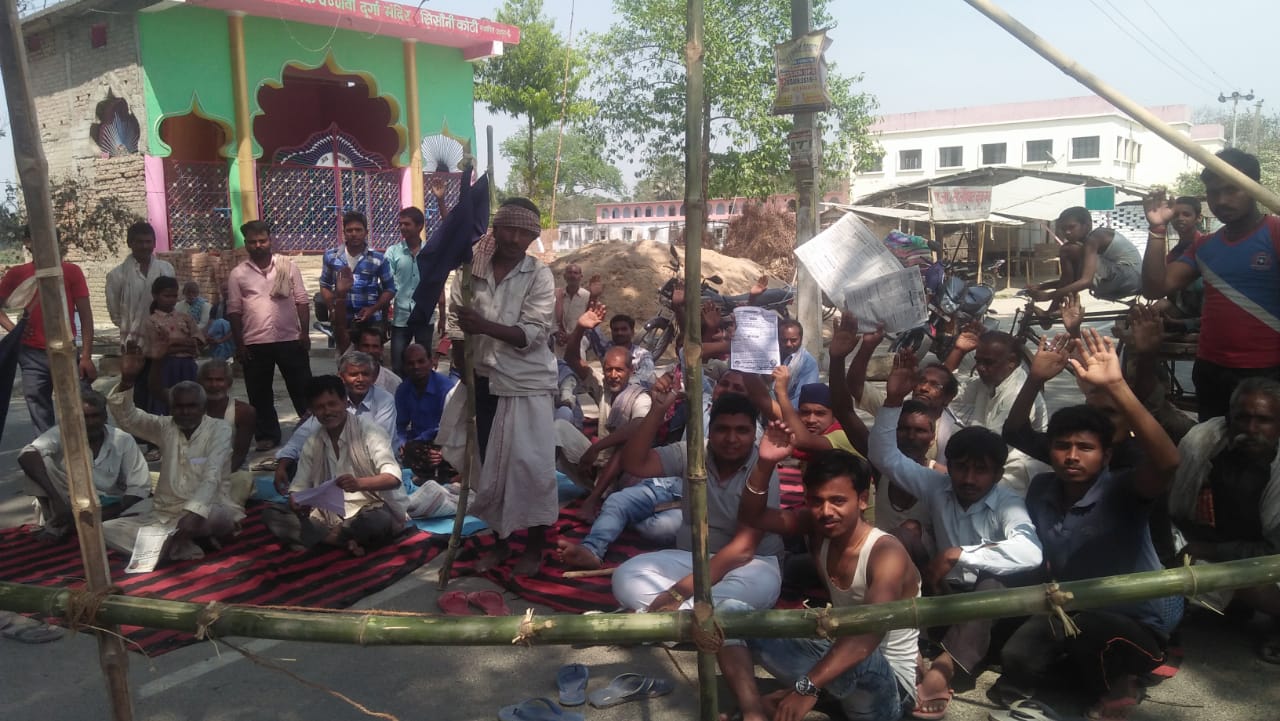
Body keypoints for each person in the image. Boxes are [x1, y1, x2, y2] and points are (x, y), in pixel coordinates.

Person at [994, 329, 1182, 720]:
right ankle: (1109, 677)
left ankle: (1116, 685)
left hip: (1134, 625)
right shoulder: (1044, 488)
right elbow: (1014, 432)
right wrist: (1036, 377)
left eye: (1086, 448)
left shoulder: (1121, 491)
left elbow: (1167, 462)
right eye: (1063, 446)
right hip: (1071, 612)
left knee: (1093, 636)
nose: (1072, 456)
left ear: (1106, 454)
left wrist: (1116, 385)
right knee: (1015, 660)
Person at [870, 351, 1043, 719]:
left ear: (997, 475)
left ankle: (944, 668)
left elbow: (1031, 552)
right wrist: (891, 401)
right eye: (961, 468)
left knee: (992, 583)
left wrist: (960, 555)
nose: (967, 479)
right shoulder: (938, 485)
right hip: (942, 593)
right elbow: (885, 456)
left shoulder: (1007, 501)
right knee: (901, 538)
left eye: (980, 471)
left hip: (988, 609)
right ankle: (905, 642)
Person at [721, 441, 921, 721]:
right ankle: (755, 711)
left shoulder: (886, 552)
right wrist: (765, 463)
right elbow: (752, 515)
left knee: (862, 653)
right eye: (817, 501)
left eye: (838, 501)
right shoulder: (818, 528)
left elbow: (869, 634)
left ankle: (813, 693)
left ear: (862, 499)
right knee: (728, 613)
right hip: (837, 664)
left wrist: (806, 686)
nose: (826, 511)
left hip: (888, 686)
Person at [441, 197, 559, 575]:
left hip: (526, 385)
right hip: (483, 381)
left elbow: (534, 334)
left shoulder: (539, 275)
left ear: (533, 236)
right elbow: (458, 327)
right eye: (509, 228)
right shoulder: (469, 271)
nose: (515, 238)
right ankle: (501, 540)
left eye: (525, 232)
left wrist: (484, 326)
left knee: (532, 466)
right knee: (490, 467)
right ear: (496, 229)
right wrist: (463, 367)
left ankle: (535, 545)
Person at [610, 391, 785, 612]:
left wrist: (677, 592)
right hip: (691, 558)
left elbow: (744, 549)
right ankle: (694, 620)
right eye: (722, 429)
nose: (731, 439)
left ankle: (661, 617)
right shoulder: (693, 450)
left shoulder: (764, 467)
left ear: (754, 434)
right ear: (709, 430)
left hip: (750, 565)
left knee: (755, 588)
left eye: (742, 431)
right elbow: (635, 464)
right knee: (625, 575)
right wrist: (657, 411)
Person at [554, 371, 746, 572]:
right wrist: (660, 400)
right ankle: (591, 550)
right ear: (715, 387)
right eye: (724, 384)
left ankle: (617, 520)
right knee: (618, 501)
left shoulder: (750, 431)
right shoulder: (700, 403)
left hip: (702, 498)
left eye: (738, 388)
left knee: (658, 528)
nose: (729, 391)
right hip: (670, 482)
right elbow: (678, 378)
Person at [1141, 148, 1280, 421]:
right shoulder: (1205, 246)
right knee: (1214, 453)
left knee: (1267, 457)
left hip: (1269, 371)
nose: (1222, 200)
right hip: (1212, 368)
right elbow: (1155, 288)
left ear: (1254, 188)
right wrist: (1157, 229)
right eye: (1214, 193)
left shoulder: (1275, 233)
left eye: (1232, 190)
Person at [103, 349, 243, 561]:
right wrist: (128, 380)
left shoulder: (220, 429)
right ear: (171, 408)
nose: (185, 412)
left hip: (208, 509)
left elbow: (211, 477)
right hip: (165, 514)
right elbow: (129, 419)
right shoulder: (164, 426)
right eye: (179, 407)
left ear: (203, 407)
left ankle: (168, 545)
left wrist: (193, 514)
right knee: (106, 529)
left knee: (216, 517)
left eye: (191, 406)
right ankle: (180, 547)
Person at [1169, 377, 1280, 640]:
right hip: (1212, 546)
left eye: (1263, 420)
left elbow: (1274, 550)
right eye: (1242, 418)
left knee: (1253, 583)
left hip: (1265, 560)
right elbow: (1176, 512)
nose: (1251, 428)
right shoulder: (1205, 444)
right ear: (1230, 418)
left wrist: (1208, 550)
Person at [263, 375, 408, 556]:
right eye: (320, 407)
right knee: (272, 514)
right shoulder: (314, 440)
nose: (327, 411)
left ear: (344, 402)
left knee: (379, 520)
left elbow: (393, 478)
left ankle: (323, 539)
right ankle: (340, 540)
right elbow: (299, 487)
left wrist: (359, 484)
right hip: (325, 514)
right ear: (313, 411)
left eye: (332, 404)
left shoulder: (370, 431)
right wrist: (296, 500)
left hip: (368, 507)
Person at [226, 220, 312, 451]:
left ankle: (313, 430)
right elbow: (234, 310)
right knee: (259, 392)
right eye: (252, 242)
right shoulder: (238, 274)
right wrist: (239, 344)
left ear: (270, 240)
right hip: (255, 342)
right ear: (246, 244)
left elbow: (302, 301)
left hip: (290, 339)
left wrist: (304, 332)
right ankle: (267, 435)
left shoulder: (287, 266)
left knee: (303, 388)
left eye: (262, 240)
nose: (258, 245)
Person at [18, 390, 149, 542]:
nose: (90, 422)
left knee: (149, 506)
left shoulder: (122, 440)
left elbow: (138, 487)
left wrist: (103, 513)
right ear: (74, 419)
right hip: (68, 502)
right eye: (85, 417)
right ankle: (64, 522)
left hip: (110, 505)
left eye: (95, 416)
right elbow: (26, 455)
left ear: (105, 417)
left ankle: (70, 525)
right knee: (37, 460)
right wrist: (57, 500)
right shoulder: (62, 433)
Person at [0, 230, 97, 433]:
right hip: (31, 355)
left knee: (82, 409)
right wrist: (14, 329)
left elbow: (86, 316)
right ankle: (48, 461)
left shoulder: (70, 272)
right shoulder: (18, 274)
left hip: (67, 351)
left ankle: (88, 458)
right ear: (28, 242)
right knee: (40, 413)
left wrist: (86, 355)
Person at [840, 314, 959, 463]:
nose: (924, 388)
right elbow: (855, 386)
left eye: (935, 385)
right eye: (921, 381)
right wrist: (867, 347)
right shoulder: (893, 408)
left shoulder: (953, 434)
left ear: (949, 397)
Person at [945, 327, 1050, 493]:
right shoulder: (990, 379)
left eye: (988, 362)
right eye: (978, 361)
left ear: (1011, 361)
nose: (980, 367)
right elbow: (946, 392)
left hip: (1015, 472)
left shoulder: (1016, 392)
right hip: (988, 463)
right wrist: (958, 351)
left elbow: (991, 449)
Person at [274, 351, 396, 489]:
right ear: (341, 377)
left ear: (344, 403)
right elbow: (299, 438)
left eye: (365, 374)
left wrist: (357, 482)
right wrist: (282, 467)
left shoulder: (381, 407)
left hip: (369, 468)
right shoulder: (318, 432)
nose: (360, 379)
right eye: (354, 374)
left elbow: (385, 450)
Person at [105, 221, 175, 413]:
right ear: (129, 243)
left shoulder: (165, 269)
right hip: (134, 342)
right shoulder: (117, 275)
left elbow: (172, 300)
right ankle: (140, 436)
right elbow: (115, 313)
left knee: (163, 385)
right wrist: (133, 330)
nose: (144, 246)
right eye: (139, 242)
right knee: (138, 389)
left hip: (164, 338)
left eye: (148, 241)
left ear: (154, 243)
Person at [1026, 206, 1141, 310]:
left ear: (1087, 226)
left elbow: (1085, 281)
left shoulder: (1096, 237)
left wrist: (1048, 296)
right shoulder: (1084, 247)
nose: (1067, 232)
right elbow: (1070, 280)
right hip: (1123, 280)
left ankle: (1054, 311)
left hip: (1130, 277)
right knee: (1070, 252)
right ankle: (1053, 313)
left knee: (1067, 250)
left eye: (1071, 227)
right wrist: (1042, 286)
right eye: (1063, 229)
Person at [385, 194, 446, 377]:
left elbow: (438, 285)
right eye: (401, 224)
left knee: (422, 366)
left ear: (419, 226)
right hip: (400, 317)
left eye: (407, 224)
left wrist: (443, 316)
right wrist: (385, 316)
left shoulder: (431, 252)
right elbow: (387, 286)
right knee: (398, 366)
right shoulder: (393, 252)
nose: (403, 227)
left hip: (424, 316)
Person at [1141, 191, 1204, 332]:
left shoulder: (1206, 247)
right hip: (1182, 310)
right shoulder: (1174, 254)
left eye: (1186, 214)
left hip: (1204, 315)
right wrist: (1157, 227)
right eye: (1176, 215)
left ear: (1198, 218)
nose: (1180, 218)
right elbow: (1155, 288)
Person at [320, 211, 395, 327]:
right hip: (341, 320)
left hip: (371, 321)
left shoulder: (378, 259)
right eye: (349, 230)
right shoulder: (331, 257)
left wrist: (373, 309)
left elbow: (390, 289)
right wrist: (332, 310)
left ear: (366, 232)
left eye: (358, 230)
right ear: (344, 233)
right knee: (343, 346)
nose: (354, 234)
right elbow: (325, 285)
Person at [395, 343, 457, 482]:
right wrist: (402, 442)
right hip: (418, 445)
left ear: (431, 362)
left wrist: (443, 451)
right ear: (404, 366)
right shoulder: (403, 390)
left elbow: (452, 426)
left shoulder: (446, 388)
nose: (416, 367)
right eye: (410, 363)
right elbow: (399, 424)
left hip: (444, 443)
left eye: (421, 361)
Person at [144, 275, 202, 414]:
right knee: (166, 400)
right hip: (165, 367)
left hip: (187, 366)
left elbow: (198, 341)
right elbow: (157, 349)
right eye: (166, 296)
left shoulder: (185, 317)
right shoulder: (151, 321)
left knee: (190, 399)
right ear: (155, 296)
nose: (171, 300)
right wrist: (185, 344)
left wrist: (172, 343)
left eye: (174, 296)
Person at [197, 359, 256, 483]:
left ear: (229, 383)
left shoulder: (244, 411)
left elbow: (239, 456)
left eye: (219, 380)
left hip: (231, 472)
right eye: (209, 380)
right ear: (200, 382)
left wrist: (213, 481)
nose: (214, 385)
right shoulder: (191, 409)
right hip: (196, 470)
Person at [585, 312, 656, 387]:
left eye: (624, 329)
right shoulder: (607, 349)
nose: (619, 333)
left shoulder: (643, 355)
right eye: (616, 330)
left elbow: (645, 378)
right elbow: (593, 331)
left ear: (632, 332)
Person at [778, 318, 819, 407]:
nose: (788, 344)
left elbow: (803, 398)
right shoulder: (772, 356)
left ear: (800, 339)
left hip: (789, 412)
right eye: (784, 340)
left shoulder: (808, 363)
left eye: (793, 340)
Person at [552, 263, 589, 347]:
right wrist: (556, 333)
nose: (572, 276)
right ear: (565, 276)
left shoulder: (587, 296)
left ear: (581, 276)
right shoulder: (556, 294)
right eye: (569, 273)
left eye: (575, 273)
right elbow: (551, 318)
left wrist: (573, 336)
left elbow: (589, 322)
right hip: (558, 338)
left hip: (580, 339)